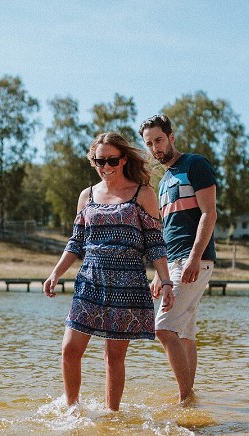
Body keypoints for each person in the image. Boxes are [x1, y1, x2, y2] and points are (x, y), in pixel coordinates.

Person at [43, 132, 175, 411]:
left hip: (127, 285)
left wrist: (165, 281)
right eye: (98, 161)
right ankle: (72, 410)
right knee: (70, 349)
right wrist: (55, 273)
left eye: (111, 160)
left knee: (113, 356)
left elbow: (155, 243)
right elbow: (76, 242)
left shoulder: (143, 193)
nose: (105, 166)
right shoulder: (87, 196)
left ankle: (112, 414)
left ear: (123, 159)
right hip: (90, 280)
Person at [139, 114, 218, 402]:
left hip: (192, 260)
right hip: (172, 262)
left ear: (172, 137)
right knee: (184, 334)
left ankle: (186, 397)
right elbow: (164, 231)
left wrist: (194, 257)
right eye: (149, 144)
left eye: (159, 140)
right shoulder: (163, 182)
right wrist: (158, 275)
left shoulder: (195, 164)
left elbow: (209, 213)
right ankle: (188, 402)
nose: (155, 148)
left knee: (162, 328)